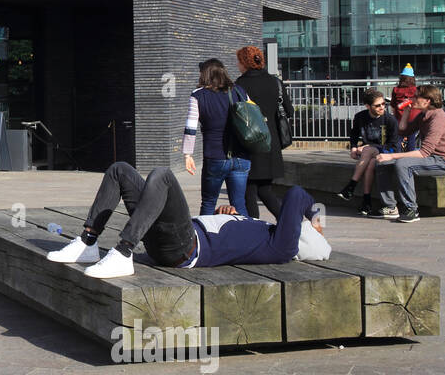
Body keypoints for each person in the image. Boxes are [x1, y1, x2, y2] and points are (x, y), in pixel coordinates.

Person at [47, 161, 328, 278]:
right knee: (120, 170)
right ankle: (88, 242)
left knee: (163, 176)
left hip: (184, 248)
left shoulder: (282, 247)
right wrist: (224, 215)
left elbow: (296, 195)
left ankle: (123, 251)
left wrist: (314, 217)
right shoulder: (263, 232)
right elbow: (225, 235)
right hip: (174, 236)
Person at [375, 85, 445, 223]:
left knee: (403, 164)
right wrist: (406, 113)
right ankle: (390, 207)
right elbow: (403, 132)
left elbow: (424, 152)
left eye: (416, 96)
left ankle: (411, 209)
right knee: (382, 163)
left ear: (427, 100)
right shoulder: (423, 115)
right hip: (431, 159)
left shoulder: (438, 119)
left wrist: (391, 156)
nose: (412, 98)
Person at [183, 58, 253, 216]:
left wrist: (188, 154)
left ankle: (206, 238)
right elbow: (253, 116)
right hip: (241, 156)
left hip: (215, 156)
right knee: (239, 204)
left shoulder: (198, 96)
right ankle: (247, 237)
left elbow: (190, 127)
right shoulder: (239, 91)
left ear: (204, 74)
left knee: (208, 202)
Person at [233, 45, 293, 219]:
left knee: (249, 192)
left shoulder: (239, 85)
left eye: (238, 61)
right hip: (271, 143)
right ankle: (288, 223)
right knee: (265, 190)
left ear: (244, 62)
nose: (237, 64)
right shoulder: (275, 82)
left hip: (249, 143)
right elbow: (289, 110)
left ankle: (256, 229)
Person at [339, 87, 397, 215]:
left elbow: (393, 144)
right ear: (368, 106)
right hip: (369, 154)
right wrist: (354, 147)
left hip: (387, 151)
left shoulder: (390, 120)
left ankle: (351, 186)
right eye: (377, 106)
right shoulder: (360, 117)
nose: (382, 107)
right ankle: (366, 202)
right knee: (370, 163)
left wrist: (370, 148)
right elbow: (354, 134)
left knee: (368, 150)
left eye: (383, 104)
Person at [391, 64, 421, 151]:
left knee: (398, 138)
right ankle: (410, 157)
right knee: (411, 138)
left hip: (399, 118)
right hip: (413, 117)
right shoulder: (416, 90)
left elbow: (393, 104)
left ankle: (398, 156)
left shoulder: (396, 90)